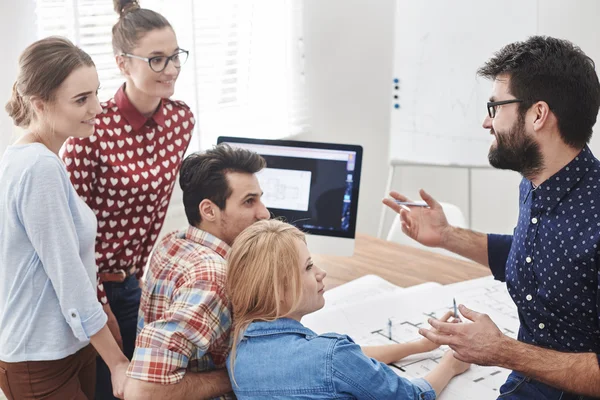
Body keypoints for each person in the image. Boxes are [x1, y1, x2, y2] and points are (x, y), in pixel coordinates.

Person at [384, 36, 600, 399]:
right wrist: (448, 236)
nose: (487, 122)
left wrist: (501, 350)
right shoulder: (537, 181)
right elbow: (537, 258)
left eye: (495, 107)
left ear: (538, 114)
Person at [61, 1, 195, 398]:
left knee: (141, 390)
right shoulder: (91, 127)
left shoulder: (180, 120)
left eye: (174, 57)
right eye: (156, 60)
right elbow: (69, 234)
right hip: (86, 290)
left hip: (135, 283)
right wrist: (96, 304)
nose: (170, 70)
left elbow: (157, 209)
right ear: (123, 63)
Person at [0, 37, 129, 400]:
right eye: (81, 100)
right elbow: (68, 275)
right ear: (40, 104)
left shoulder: (40, 159)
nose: (98, 108)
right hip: (39, 359)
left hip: (71, 347)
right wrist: (117, 362)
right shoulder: (38, 167)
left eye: (96, 93)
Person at [225, 219, 470, 399]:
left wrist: (419, 347)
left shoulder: (237, 353)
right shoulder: (332, 356)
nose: (322, 273)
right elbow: (412, 396)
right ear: (280, 291)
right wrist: (451, 363)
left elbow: (349, 363)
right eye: (309, 267)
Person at [124, 144, 271, 399]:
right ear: (209, 210)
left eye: (259, 198)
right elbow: (143, 391)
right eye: (249, 202)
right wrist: (235, 375)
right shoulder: (213, 278)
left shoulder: (173, 241)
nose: (265, 213)